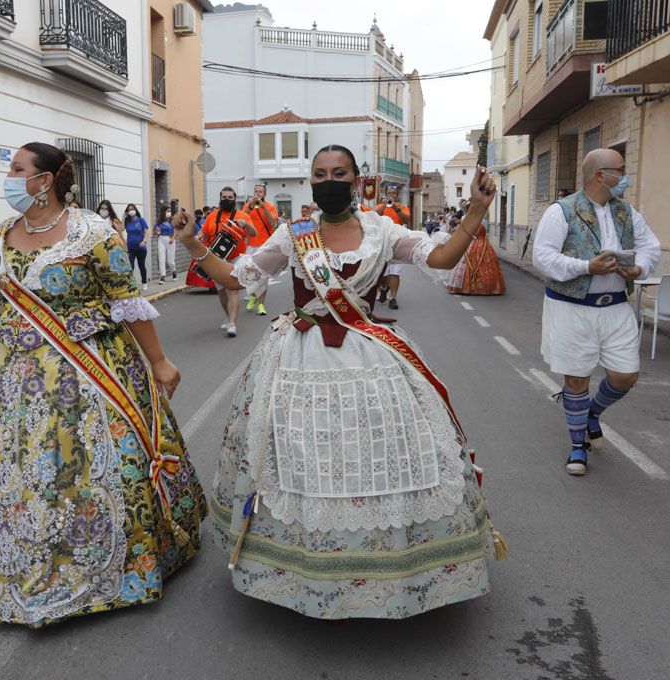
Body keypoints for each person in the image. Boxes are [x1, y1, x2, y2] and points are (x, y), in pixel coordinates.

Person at [174, 144, 504, 619]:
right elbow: (234, 278)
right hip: (299, 356)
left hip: (370, 354)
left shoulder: (381, 230)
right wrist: (191, 243)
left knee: (383, 454)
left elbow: (441, 257)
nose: (328, 181)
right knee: (300, 459)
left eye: (339, 173)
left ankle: (391, 566)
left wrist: (475, 209)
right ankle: (301, 567)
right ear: (312, 183)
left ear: (356, 179)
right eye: (320, 174)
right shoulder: (295, 233)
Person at [0, 142, 205, 626]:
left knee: (82, 465)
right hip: (7, 378)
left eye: (18, 169)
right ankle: (17, 558)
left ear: (47, 179)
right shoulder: (0, 237)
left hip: (87, 371)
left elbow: (126, 300)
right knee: (15, 469)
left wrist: (159, 361)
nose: (9, 177)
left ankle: (107, 560)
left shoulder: (92, 232)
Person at [532, 148, 661, 476]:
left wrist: (640, 267)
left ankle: (591, 413)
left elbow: (650, 247)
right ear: (601, 175)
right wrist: (586, 266)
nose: (625, 176)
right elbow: (542, 257)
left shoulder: (626, 212)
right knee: (576, 378)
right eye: (620, 170)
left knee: (625, 375)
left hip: (615, 307)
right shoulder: (561, 211)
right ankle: (577, 445)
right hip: (571, 308)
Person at [196, 187, 254, 336]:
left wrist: (245, 225)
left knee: (232, 290)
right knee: (221, 291)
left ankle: (232, 324)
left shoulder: (242, 215)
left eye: (230, 197)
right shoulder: (212, 216)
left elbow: (254, 233)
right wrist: (199, 236)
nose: (227, 200)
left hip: (236, 257)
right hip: (217, 259)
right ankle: (229, 318)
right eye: (224, 197)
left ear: (234, 199)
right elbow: (203, 232)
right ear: (220, 198)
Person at [242, 184, 279, 316]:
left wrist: (263, 208)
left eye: (260, 192)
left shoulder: (270, 207)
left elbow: (273, 223)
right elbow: (241, 219)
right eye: (256, 191)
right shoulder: (248, 206)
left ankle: (261, 305)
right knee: (251, 274)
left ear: (265, 194)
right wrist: (250, 207)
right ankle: (253, 296)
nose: (258, 193)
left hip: (265, 245)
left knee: (263, 276)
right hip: (251, 245)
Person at [446, 218, 506, 296]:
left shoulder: (481, 224)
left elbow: (475, 235)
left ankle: (481, 287)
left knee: (479, 262)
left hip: (480, 243)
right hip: (476, 243)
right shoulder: (476, 222)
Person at [375, 185, 412, 310]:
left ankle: (393, 298)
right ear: (386, 194)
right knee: (381, 272)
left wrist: (396, 209)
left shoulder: (402, 207)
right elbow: (374, 218)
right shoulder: (380, 206)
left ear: (397, 195)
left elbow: (406, 219)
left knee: (395, 272)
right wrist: (385, 205)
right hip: (383, 242)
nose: (391, 195)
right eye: (389, 193)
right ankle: (384, 288)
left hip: (397, 242)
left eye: (394, 193)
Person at [124, 203, 149, 290]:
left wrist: (144, 241)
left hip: (141, 248)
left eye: (132, 209)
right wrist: (123, 217)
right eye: (129, 209)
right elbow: (121, 229)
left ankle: (144, 282)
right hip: (130, 248)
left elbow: (146, 232)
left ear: (135, 210)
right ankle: (131, 284)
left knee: (141, 265)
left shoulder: (141, 220)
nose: (131, 211)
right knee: (130, 266)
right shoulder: (127, 222)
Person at [154, 206, 177, 284]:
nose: (169, 213)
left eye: (170, 211)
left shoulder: (172, 221)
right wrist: (157, 232)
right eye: (167, 211)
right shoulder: (159, 221)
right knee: (161, 258)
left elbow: (175, 230)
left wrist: (173, 238)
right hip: (161, 239)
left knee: (170, 261)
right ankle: (162, 276)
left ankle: (173, 271)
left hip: (170, 240)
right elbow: (155, 232)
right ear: (163, 212)